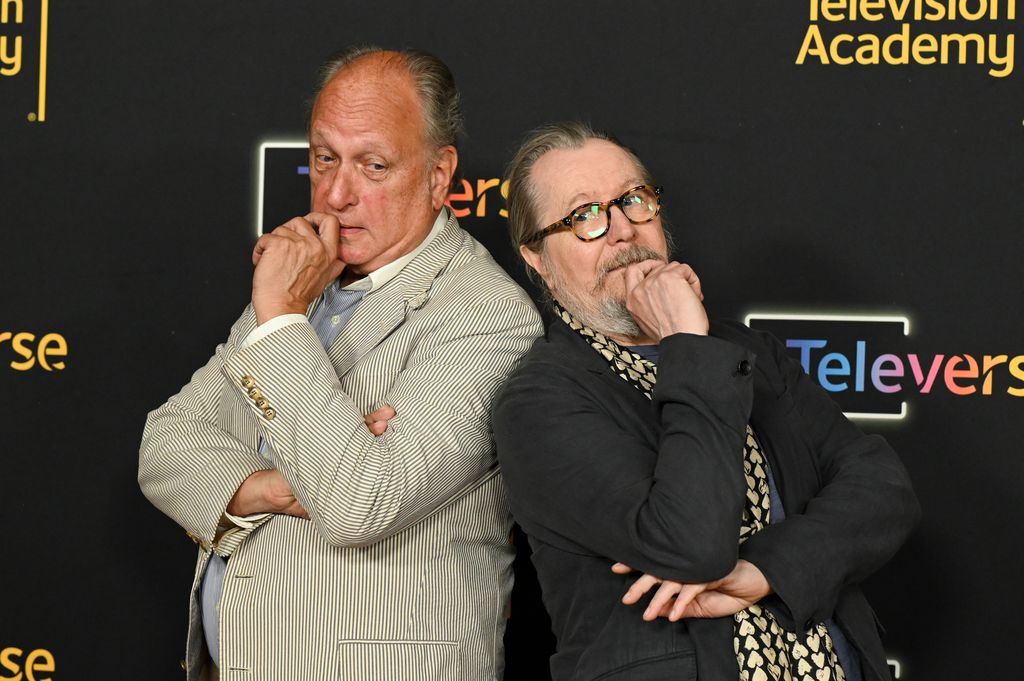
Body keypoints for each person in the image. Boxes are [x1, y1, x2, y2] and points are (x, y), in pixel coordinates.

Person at [138, 46, 542, 681]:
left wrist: (280, 316)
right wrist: (281, 485)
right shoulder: (309, 280)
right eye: (325, 158)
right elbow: (164, 443)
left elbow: (358, 501)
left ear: (439, 175)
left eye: (373, 166)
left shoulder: (488, 313)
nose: (335, 194)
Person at [492, 122, 920, 681]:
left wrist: (768, 571)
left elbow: (883, 490)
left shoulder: (749, 353)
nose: (622, 229)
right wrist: (687, 346)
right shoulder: (540, 402)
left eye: (633, 199)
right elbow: (691, 544)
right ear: (537, 258)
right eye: (584, 216)